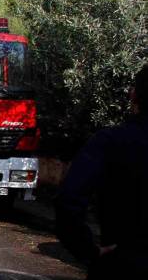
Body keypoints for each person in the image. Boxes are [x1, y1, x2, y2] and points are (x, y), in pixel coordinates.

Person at [56, 64, 148, 278]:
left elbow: (67, 201)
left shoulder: (111, 142)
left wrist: (87, 250)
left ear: (133, 95)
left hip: (122, 264)